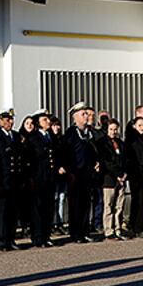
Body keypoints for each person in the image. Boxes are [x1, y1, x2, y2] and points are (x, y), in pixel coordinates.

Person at [63, 102, 101, 243]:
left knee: (86, 203)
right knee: (76, 204)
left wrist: (95, 161)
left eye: (86, 114)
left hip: (87, 173)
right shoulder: (71, 133)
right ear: (75, 117)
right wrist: (69, 171)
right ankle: (76, 233)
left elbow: (92, 150)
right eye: (83, 114)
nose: (86, 117)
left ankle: (85, 231)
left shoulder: (89, 133)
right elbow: (67, 153)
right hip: (75, 174)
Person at [0, 108, 24, 251]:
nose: (10, 122)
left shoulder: (15, 136)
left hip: (14, 181)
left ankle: (11, 238)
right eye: (7, 119)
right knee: (1, 212)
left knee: (12, 212)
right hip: (1, 182)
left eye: (11, 119)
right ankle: (0, 240)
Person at [27, 108, 60, 247]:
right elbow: (31, 160)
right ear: (38, 122)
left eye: (48, 119)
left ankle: (46, 235)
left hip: (50, 178)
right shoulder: (33, 139)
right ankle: (38, 237)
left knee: (48, 208)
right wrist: (32, 178)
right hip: (39, 178)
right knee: (38, 209)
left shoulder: (51, 137)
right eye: (44, 120)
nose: (48, 122)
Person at [96, 118, 128, 240]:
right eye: (111, 129)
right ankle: (108, 230)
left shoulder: (121, 143)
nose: (113, 132)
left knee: (119, 206)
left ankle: (118, 228)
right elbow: (107, 162)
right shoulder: (102, 143)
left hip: (121, 179)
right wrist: (118, 174)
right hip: (109, 178)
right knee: (108, 205)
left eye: (115, 129)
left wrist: (124, 173)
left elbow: (125, 160)